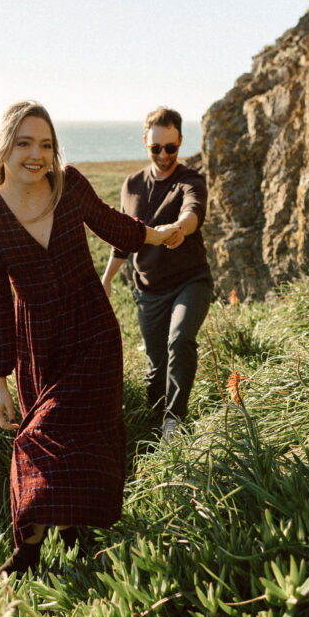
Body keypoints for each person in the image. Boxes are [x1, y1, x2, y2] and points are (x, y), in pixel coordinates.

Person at [0, 101, 178, 576]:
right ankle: (73, 540)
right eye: (24, 143)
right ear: (3, 147)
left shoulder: (69, 184)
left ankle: (26, 553)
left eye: (46, 144)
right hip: (37, 347)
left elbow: (113, 225)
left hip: (92, 333)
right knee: (58, 439)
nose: (36, 155)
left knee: (44, 441)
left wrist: (162, 236)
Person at [101, 107, 212, 441]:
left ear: (180, 141)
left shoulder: (191, 180)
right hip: (148, 290)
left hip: (190, 282)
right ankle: (152, 432)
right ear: (145, 144)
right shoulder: (132, 185)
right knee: (156, 369)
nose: (163, 155)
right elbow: (123, 240)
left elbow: (194, 211)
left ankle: (174, 424)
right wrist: (105, 279)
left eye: (170, 148)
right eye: (155, 148)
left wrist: (180, 227)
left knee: (179, 340)